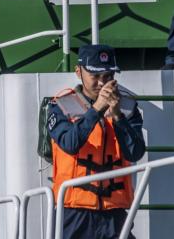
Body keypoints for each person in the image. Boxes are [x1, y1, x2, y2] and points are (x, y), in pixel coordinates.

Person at [47, 45, 146, 239]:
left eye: (108, 76)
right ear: (78, 72)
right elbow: (69, 143)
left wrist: (118, 116)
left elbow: (135, 153)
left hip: (114, 213)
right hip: (74, 213)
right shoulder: (60, 106)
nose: (102, 83)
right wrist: (97, 109)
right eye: (95, 76)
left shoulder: (127, 108)